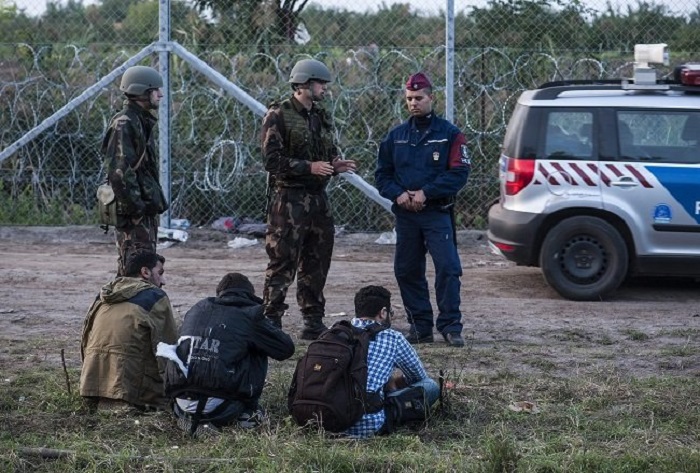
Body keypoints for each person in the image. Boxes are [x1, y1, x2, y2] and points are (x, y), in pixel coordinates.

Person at [260, 58, 357, 340]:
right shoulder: (278, 115)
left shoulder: (320, 116)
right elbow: (271, 160)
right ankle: (271, 320)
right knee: (282, 261)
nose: (324, 89)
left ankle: (313, 320)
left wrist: (333, 165)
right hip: (288, 200)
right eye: (320, 83)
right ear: (304, 84)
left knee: (317, 262)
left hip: (317, 199)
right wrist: (308, 167)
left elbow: (325, 152)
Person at [375, 72, 471, 347]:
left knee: (448, 269)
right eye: (409, 99)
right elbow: (382, 175)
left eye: (419, 98)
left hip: (436, 213)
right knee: (406, 270)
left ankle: (451, 327)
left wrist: (426, 193)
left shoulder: (450, 135)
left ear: (431, 98)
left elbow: (459, 173)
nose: (414, 103)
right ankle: (420, 327)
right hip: (406, 215)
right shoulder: (396, 137)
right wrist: (399, 194)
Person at [160, 272, 295, 435]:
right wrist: (264, 326)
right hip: (221, 408)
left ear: (220, 293)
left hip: (179, 405)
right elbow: (286, 349)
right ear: (249, 295)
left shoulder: (197, 309)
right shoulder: (249, 315)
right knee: (258, 345)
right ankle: (247, 415)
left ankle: (193, 420)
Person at [80, 249, 177, 412]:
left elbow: (85, 338)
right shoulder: (155, 296)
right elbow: (169, 348)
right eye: (160, 273)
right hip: (129, 389)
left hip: (92, 383)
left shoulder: (103, 294)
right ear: (145, 272)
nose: (164, 281)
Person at [345, 285, 439, 438]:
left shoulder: (334, 332)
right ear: (383, 313)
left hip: (325, 416)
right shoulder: (392, 337)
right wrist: (394, 382)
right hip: (366, 424)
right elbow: (419, 378)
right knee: (431, 386)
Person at [102, 65, 169, 277]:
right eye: (155, 90)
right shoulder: (125, 123)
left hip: (142, 211)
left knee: (144, 266)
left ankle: (140, 308)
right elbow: (119, 173)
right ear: (141, 92)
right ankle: (121, 309)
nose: (160, 94)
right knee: (133, 269)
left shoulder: (139, 121)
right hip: (134, 215)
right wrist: (137, 209)